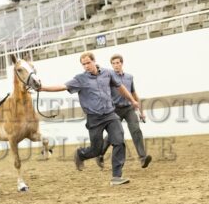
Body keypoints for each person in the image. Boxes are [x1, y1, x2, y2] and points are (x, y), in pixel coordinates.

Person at [38, 52, 139, 186]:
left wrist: (132, 100)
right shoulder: (80, 79)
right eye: (83, 64)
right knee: (96, 150)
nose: (86, 66)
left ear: (94, 61)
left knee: (119, 141)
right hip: (94, 119)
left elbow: (120, 87)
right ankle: (81, 154)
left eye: (88, 63)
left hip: (110, 114)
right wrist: (42, 88)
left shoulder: (107, 74)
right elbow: (63, 86)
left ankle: (116, 176)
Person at [96, 54, 152, 169]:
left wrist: (141, 112)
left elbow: (134, 94)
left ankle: (143, 158)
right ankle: (100, 154)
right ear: (111, 65)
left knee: (136, 130)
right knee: (113, 134)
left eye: (118, 63)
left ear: (122, 63)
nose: (116, 65)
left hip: (129, 109)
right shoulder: (108, 77)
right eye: (113, 63)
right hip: (114, 110)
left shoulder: (129, 77)